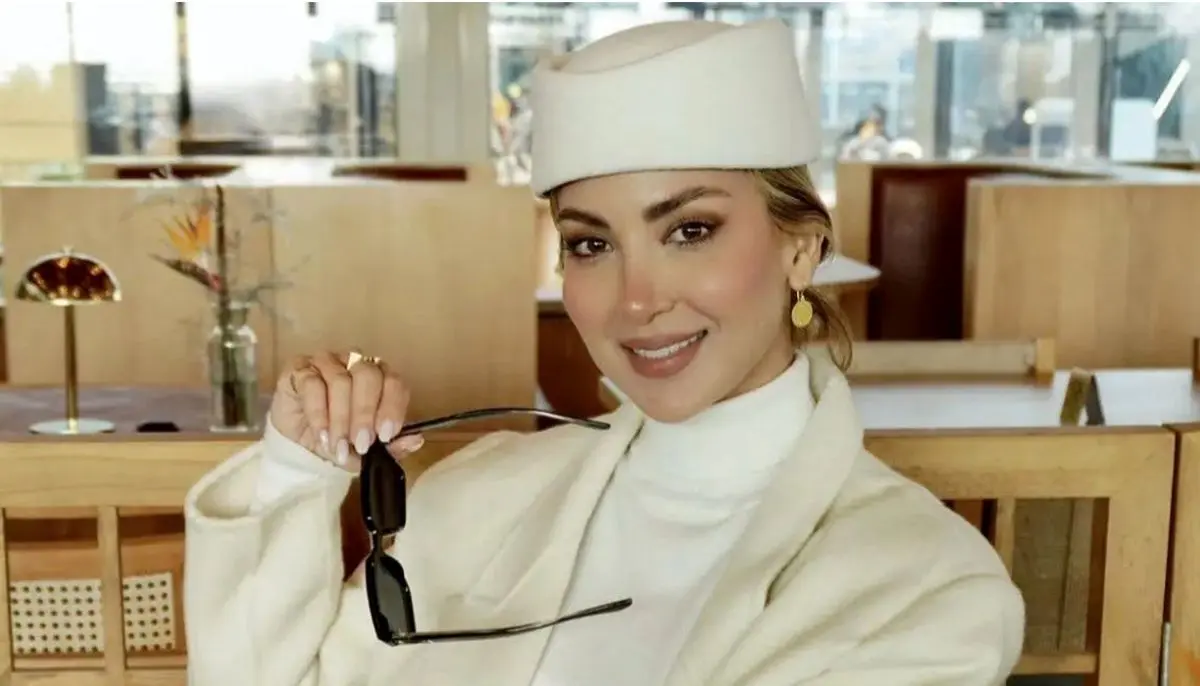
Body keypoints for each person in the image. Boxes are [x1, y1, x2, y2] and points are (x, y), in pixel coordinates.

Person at [183, 18, 1024, 686]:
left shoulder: (926, 589)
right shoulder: (477, 494)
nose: (636, 300)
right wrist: (296, 467)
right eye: (591, 245)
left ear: (800, 248)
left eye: (689, 231)